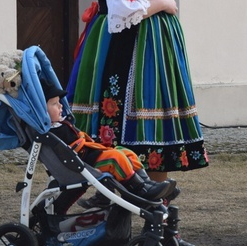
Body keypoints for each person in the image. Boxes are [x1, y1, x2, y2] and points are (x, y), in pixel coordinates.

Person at [66, 0, 209, 246]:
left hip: (151, 50)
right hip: (130, 52)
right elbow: (121, 13)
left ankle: (160, 228)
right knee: (133, 131)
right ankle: (122, 219)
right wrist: (164, 3)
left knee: (156, 136)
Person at [42, 80, 176, 203]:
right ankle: (139, 190)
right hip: (83, 161)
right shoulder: (50, 132)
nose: (60, 106)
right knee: (116, 158)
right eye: (54, 104)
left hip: (88, 154)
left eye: (59, 102)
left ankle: (147, 183)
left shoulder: (59, 124)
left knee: (126, 153)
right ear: (42, 110)